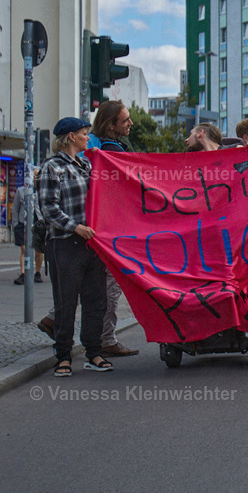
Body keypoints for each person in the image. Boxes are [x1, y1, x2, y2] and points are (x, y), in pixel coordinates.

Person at [38, 117, 113, 377]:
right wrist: (75, 227)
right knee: (66, 302)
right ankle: (63, 356)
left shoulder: (87, 165)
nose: (87, 138)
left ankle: (94, 352)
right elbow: (49, 208)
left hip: (92, 243)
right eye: (83, 133)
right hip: (65, 243)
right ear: (70, 137)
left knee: (96, 301)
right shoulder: (53, 167)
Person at [82, 99, 138, 357]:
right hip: (113, 228)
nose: (131, 123)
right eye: (125, 120)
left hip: (96, 225)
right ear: (111, 125)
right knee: (110, 286)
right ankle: (106, 340)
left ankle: (53, 318)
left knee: (89, 282)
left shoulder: (95, 148)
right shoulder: (113, 151)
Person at [12, 171, 45, 284]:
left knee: (38, 251)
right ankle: (23, 273)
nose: (35, 178)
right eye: (34, 175)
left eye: (37, 176)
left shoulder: (43, 191)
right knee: (23, 248)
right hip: (23, 223)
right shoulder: (21, 191)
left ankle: (37, 272)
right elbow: (15, 208)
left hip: (38, 223)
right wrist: (15, 224)